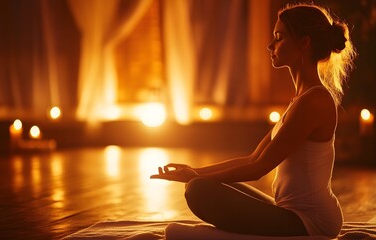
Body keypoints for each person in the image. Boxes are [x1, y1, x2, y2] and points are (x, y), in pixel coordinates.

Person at [151, 2, 356, 238]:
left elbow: (259, 168)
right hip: (288, 211)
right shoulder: (299, 100)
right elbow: (253, 157)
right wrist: (194, 171)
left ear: (304, 42)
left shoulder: (314, 102)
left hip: (311, 221)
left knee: (198, 190)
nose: (270, 45)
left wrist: (196, 177)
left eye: (279, 37)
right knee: (202, 185)